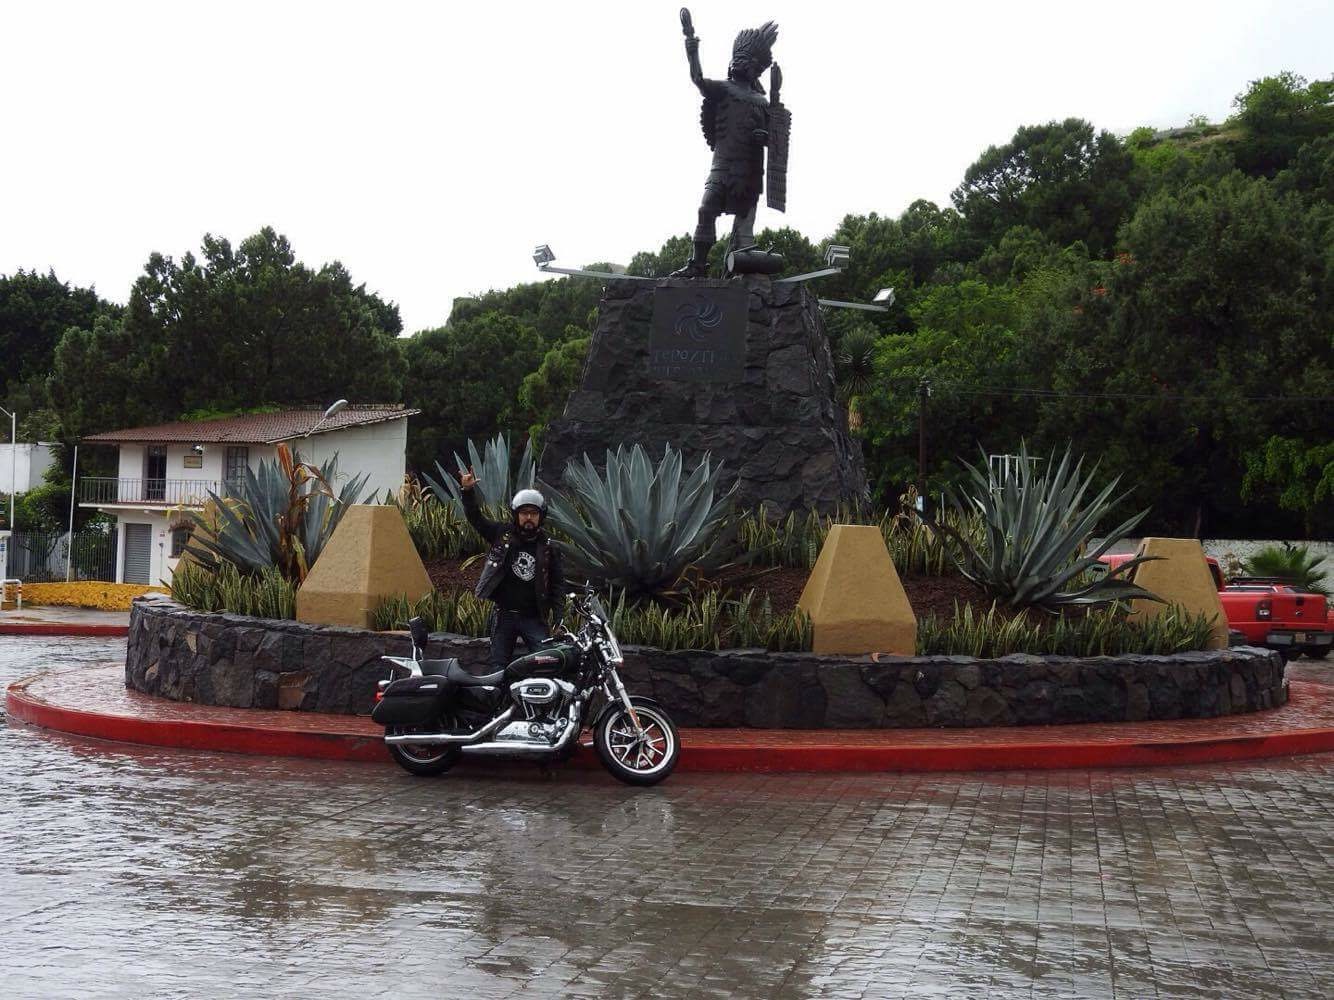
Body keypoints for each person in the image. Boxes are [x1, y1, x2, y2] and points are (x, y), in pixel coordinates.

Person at [459, 468, 564, 670]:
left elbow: (558, 585)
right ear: (516, 515)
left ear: (541, 517)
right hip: (504, 615)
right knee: (498, 667)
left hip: (533, 617)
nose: (528, 518)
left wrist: (559, 617)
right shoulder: (502, 535)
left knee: (545, 664)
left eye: (533, 513)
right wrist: (467, 491)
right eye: (524, 513)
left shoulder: (549, 547)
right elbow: (475, 518)